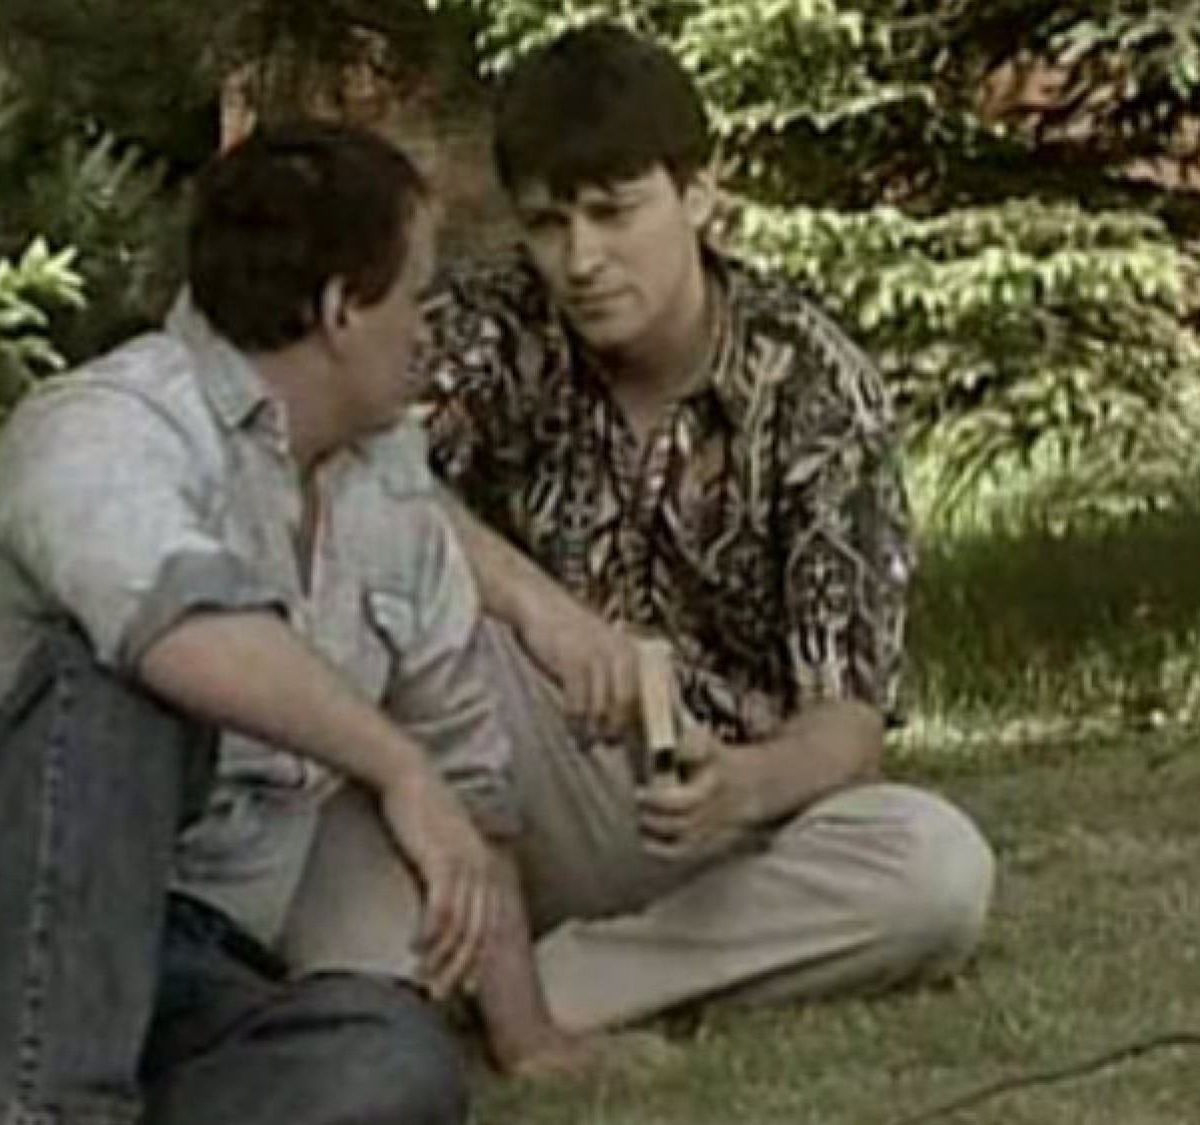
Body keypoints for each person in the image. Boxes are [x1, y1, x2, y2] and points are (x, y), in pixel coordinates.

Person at [0, 120, 516, 1125]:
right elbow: (176, 621)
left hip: (179, 967)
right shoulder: (105, 423)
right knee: (123, 683)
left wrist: (531, 1033)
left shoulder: (394, 497)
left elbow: (470, 785)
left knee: (393, 1062)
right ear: (340, 310)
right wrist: (395, 765)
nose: (427, 327)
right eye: (415, 295)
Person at [418, 23, 997, 1074]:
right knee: (426, 595)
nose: (582, 260)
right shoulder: (491, 325)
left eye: (614, 212)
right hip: (525, 773)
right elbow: (359, 479)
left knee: (937, 870)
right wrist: (541, 609)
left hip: (722, 826)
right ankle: (476, 963)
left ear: (698, 195)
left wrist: (746, 784)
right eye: (549, 223)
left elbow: (848, 717)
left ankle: (551, 984)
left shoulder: (812, 382)